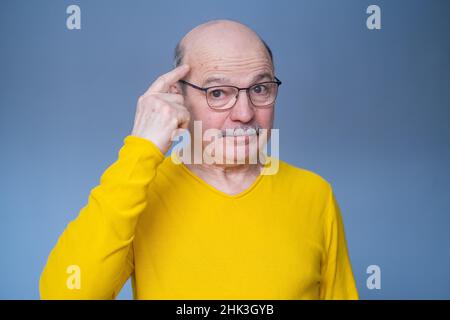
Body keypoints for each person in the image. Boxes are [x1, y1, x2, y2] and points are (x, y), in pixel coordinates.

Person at [40, 19, 358, 299]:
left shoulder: (315, 195)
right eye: (218, 93)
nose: (245, 114)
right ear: (178, 97)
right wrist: (140, 148)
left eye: (259, 88)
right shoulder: (140, 193)